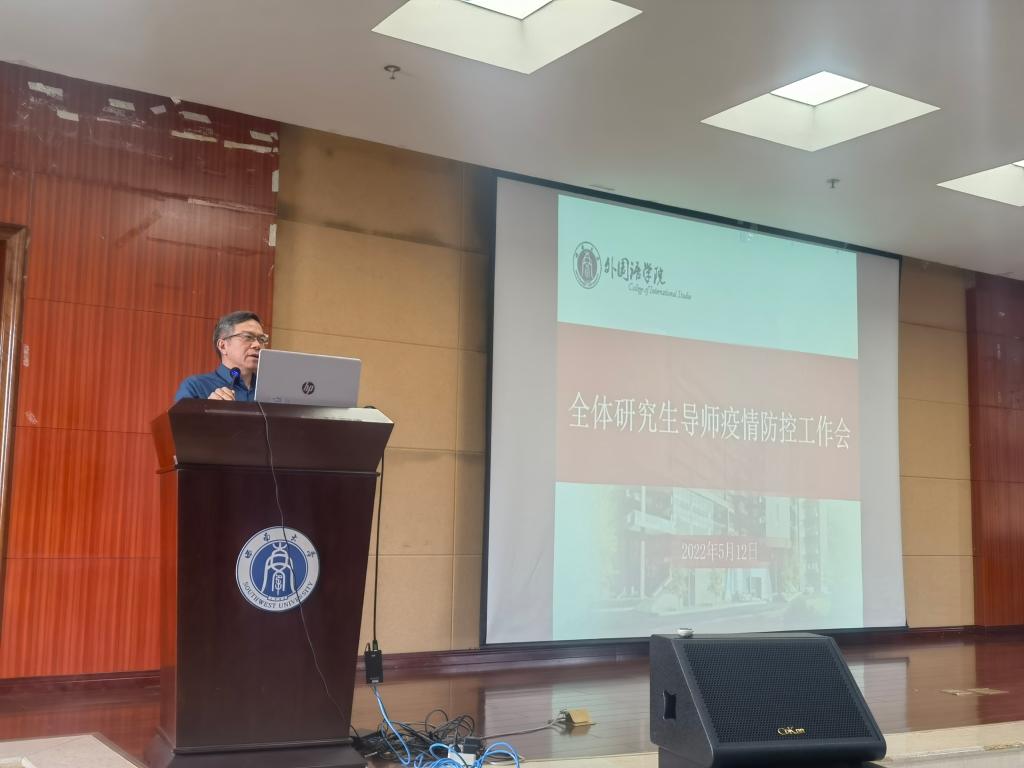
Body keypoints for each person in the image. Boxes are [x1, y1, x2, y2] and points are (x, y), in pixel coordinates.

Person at [174, 310, 268, 401]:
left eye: (262, 339)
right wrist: (209, 408)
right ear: (223, 346)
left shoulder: (269, 390)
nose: (257, 345)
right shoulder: (195, 386)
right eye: (248, 337)